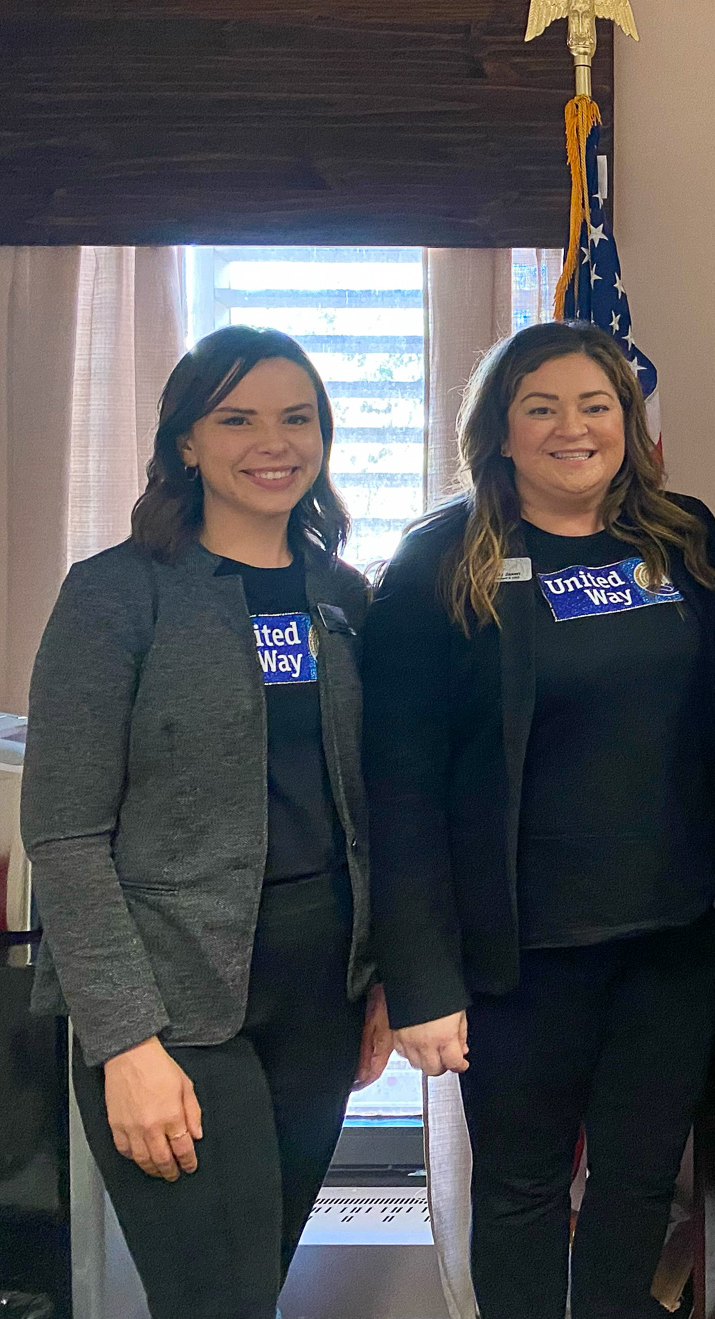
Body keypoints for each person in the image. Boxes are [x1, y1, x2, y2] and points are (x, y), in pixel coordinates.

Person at [363, 321, 715, 1319]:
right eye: (541, 406)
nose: (571, 428)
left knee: (635, 1189)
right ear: (498, 430)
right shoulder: (436, 567)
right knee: (522, 1192)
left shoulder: (684, 541)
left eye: (596, 405)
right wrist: (420, 982)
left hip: (670, 944)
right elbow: (398, 786)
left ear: (628, 421)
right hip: (517, 959)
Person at [21, 326, 389, 1319]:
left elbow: (367, 805)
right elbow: (61, 834)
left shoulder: (341, 596)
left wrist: (381, 976)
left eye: (296, 417)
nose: (273, 442)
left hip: (318, 994)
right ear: (186, 442)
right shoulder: (116, 594)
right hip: (171, 1002)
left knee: (250, 1286)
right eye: (237, 418)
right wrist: (125, 1041)